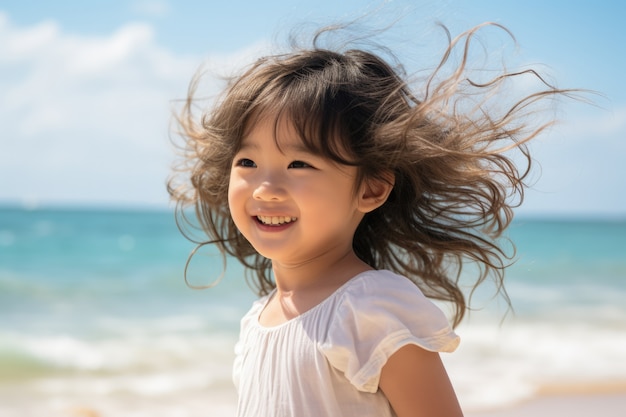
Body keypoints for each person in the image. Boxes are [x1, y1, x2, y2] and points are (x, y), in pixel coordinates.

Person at [168, 21, 572, 417]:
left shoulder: (368, 307)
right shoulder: (255, 322)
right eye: (248, 161)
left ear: (371, 189)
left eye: (299, 163)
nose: (265, 188)